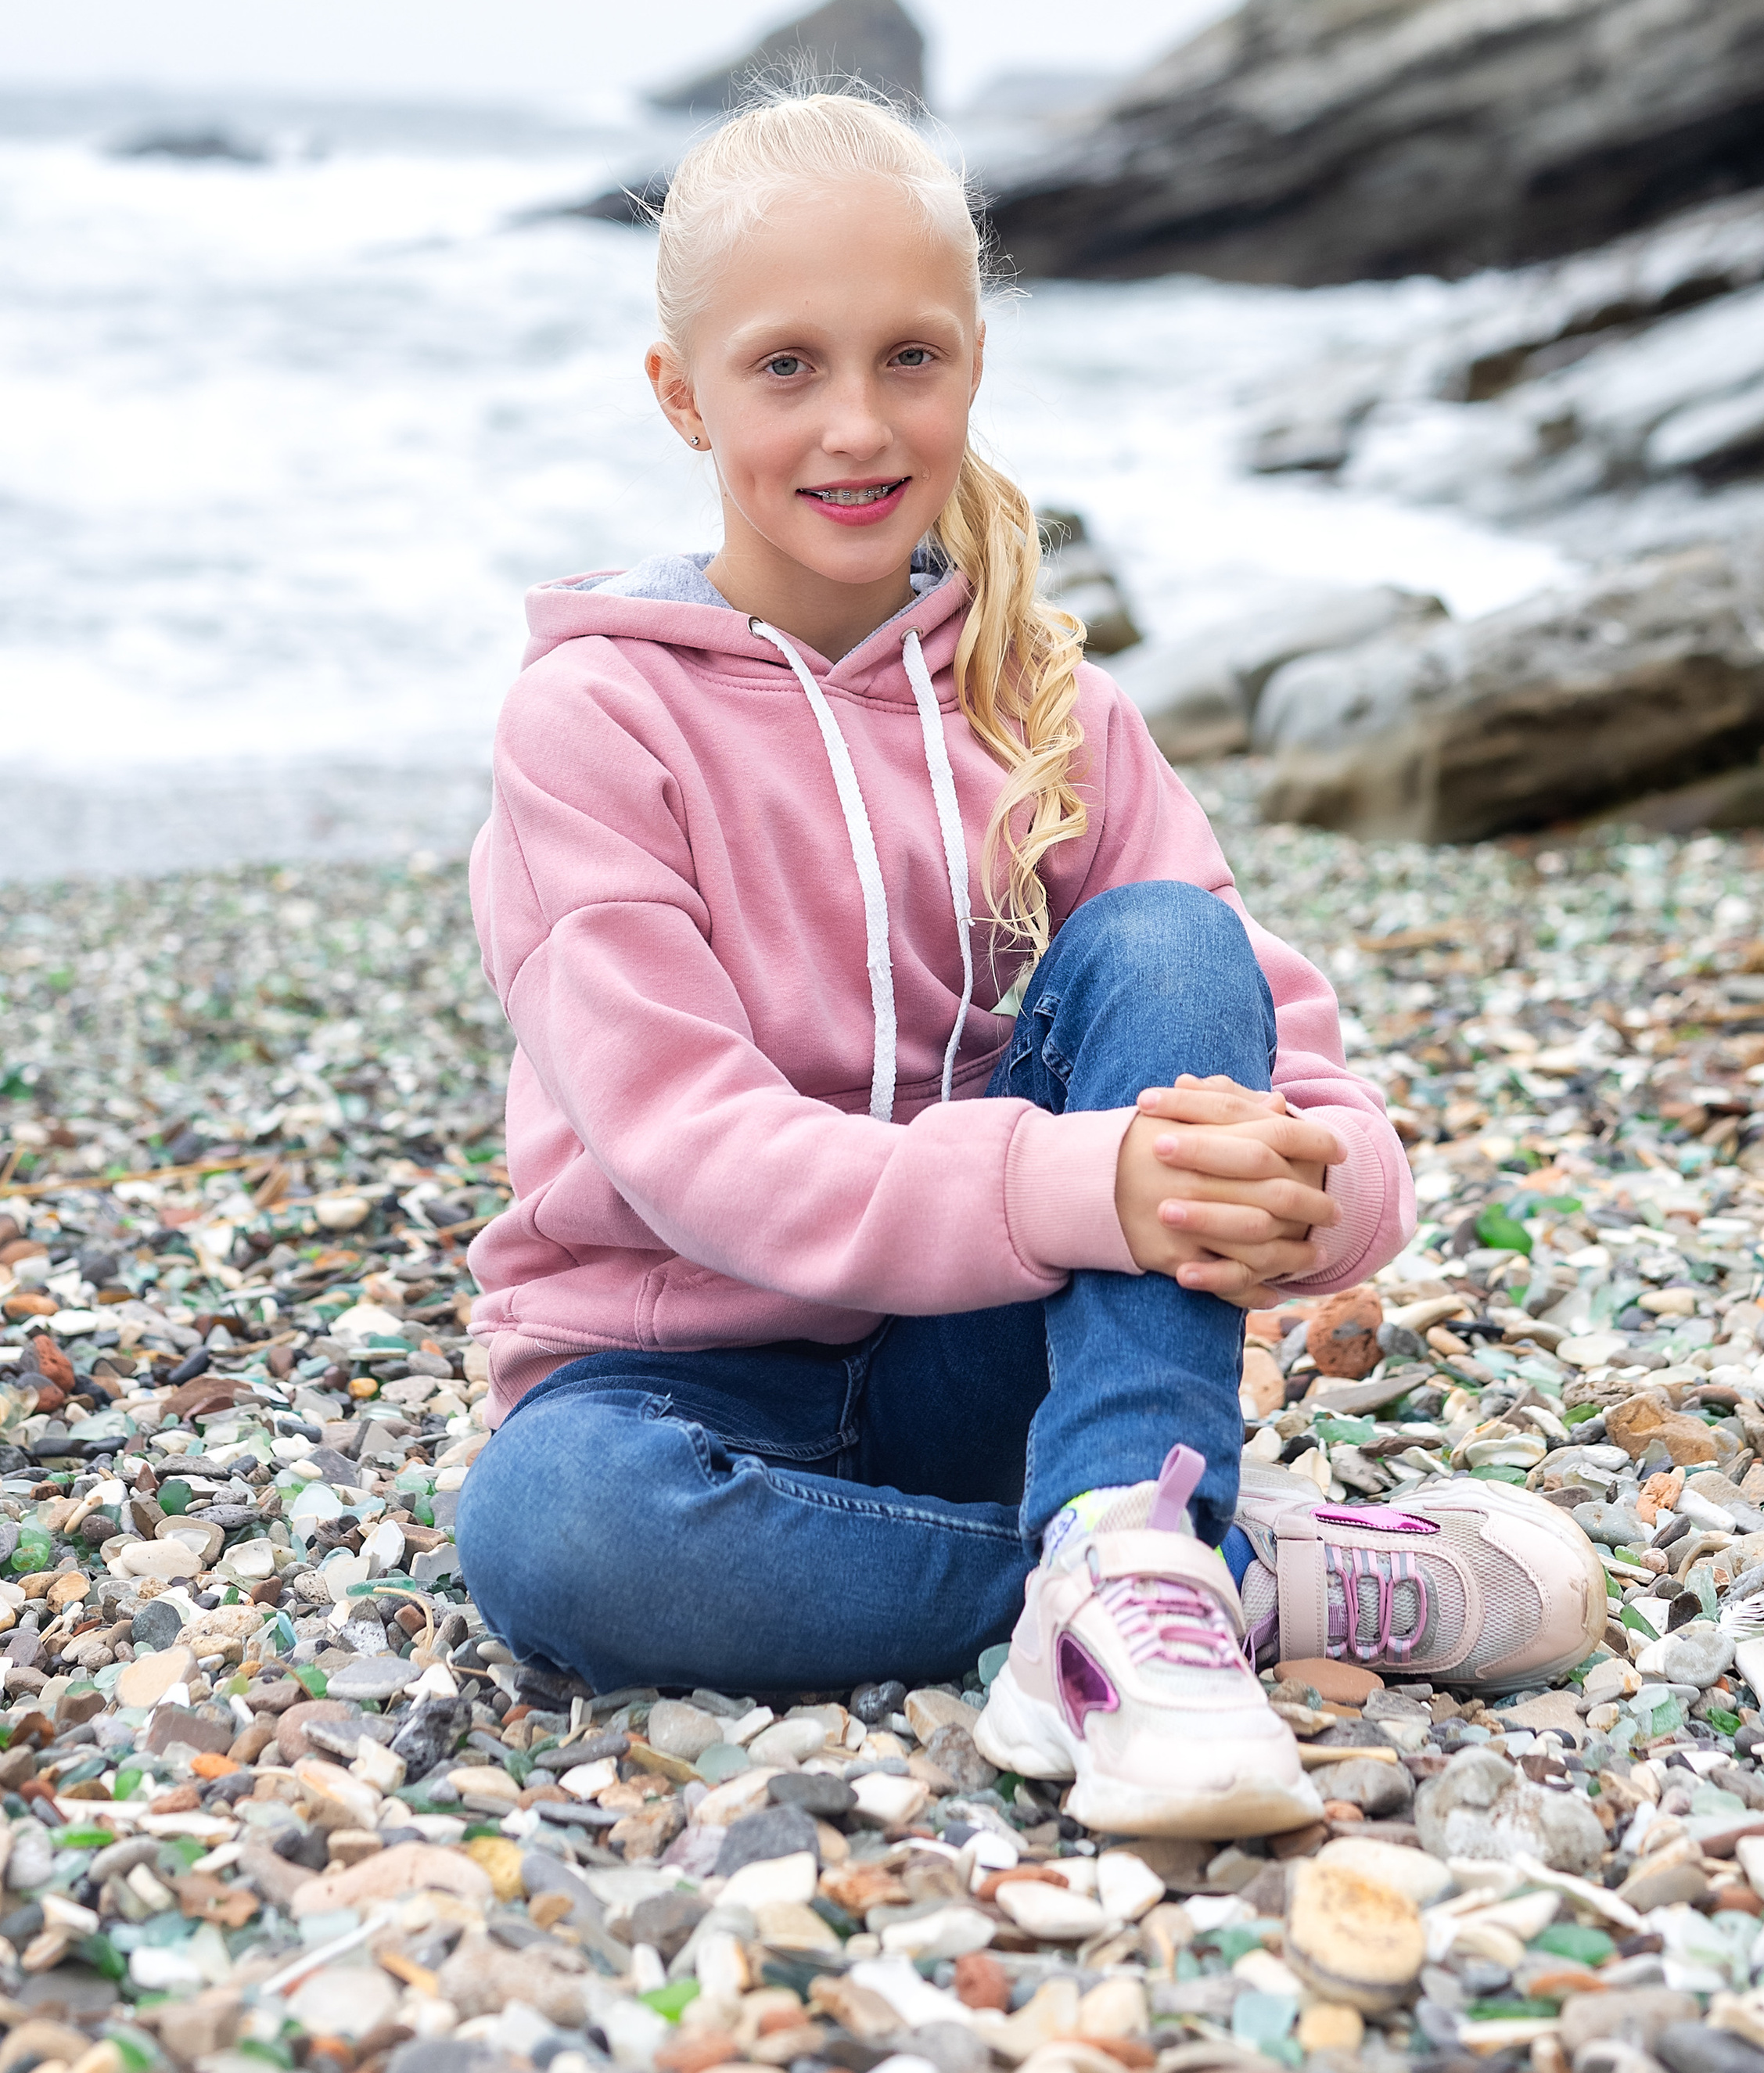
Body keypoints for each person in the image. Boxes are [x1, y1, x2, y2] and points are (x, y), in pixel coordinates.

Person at [455, 92, 1603, 1837]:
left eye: (908, 357)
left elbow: (1279, 1056)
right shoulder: (592, 722)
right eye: (784, 368)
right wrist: (1101, 1183)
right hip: (673, 1385)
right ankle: (1196, 1585)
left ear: (974, 363)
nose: (855, 423)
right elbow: (692, 1152)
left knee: (1158, 937)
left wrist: (1311, 1194)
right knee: (549, 1536)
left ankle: (1127, 1551)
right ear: (681, 394)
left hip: (998, 1363)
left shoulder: (1050, 709)